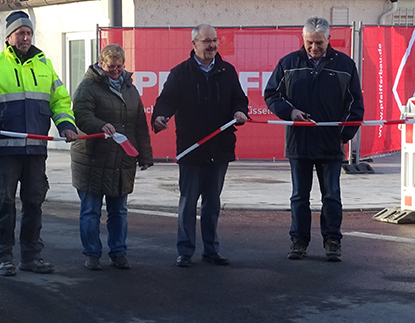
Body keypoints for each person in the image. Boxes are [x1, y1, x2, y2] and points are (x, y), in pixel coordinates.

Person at [0, 10, 78, 276]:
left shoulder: (44, 65)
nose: (25, 37)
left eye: (28, 33)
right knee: (4, 204)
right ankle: (3, 257)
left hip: (36, 150)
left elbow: (60, 100)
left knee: (34, 203)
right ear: (9, 37)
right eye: (20, 33)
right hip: (3, 152)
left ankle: (31, 256)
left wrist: (66, 124)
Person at [264, 16, 364, 262]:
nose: (314, 48)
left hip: (331, 144)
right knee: (299, 196)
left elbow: (356, 105)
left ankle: (332, 242)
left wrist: (342, 136)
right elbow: (272, 94)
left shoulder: (345, 65)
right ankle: (299, 242)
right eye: (309, 43)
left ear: (328, 39)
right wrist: (291, 112)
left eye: (319, 43)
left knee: (331, 195)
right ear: (303, 38)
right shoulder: (288, 63)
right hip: (299, 143)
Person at [150, 24, 249, 268]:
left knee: (212, 203)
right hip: (191, 149)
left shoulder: (227, 71)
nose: (212, 45)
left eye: (215, 40)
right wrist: (160, 117)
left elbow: (240, 98)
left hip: (220, 147)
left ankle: (211, 250)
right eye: (206, 41)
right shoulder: (180, 73)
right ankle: (185, 251)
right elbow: (166, 101)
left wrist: (240, 110)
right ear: (193, 44)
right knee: (188, 201)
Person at [71, 44, 154, 271]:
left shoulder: (131, 89)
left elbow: (139, 125)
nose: (115, 71)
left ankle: (118, 252)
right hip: (92, 159)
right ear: (101, 64)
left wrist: (145, 155)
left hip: (122, 160)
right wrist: (100, 125)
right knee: (91, 211)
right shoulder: (87, 87)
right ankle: (92, 254)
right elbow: (80, 114)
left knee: (119, 211)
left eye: (119, 67)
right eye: (110, 67)